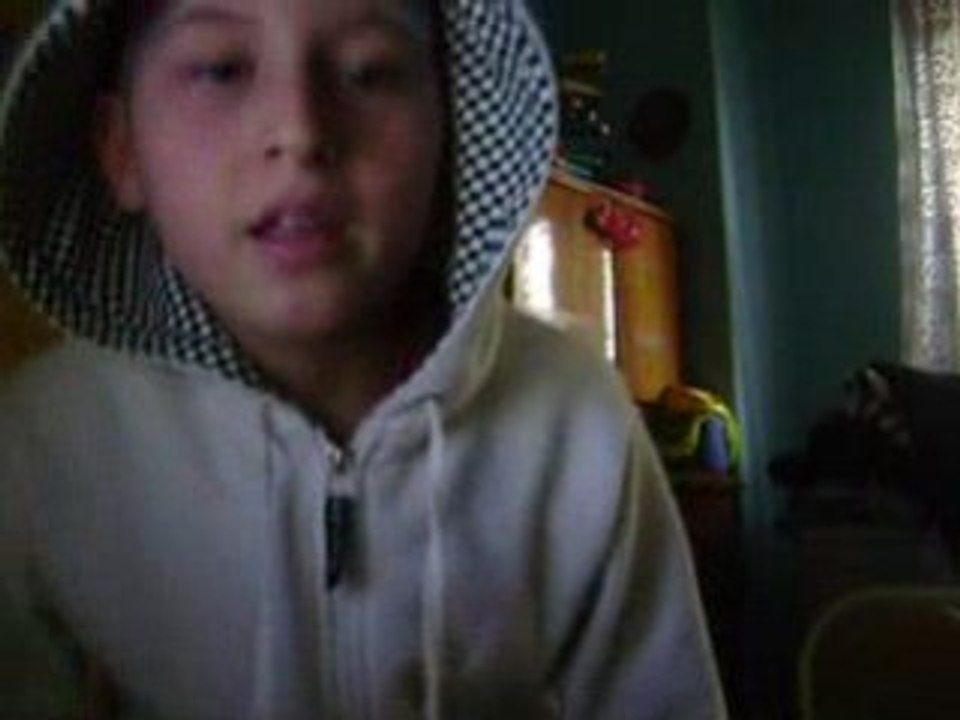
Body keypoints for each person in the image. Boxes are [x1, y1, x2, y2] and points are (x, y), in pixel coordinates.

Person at [0, 0, 726, 717]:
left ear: (453, 131)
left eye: (370, 71)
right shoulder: (44, 440)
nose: (300, 130)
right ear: (122, 148)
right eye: (221, 68)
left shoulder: (572, 420)